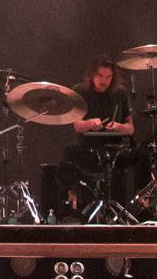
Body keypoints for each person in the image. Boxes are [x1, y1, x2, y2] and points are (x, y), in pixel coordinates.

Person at [43, 57, 138, 219]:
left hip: (116, 149)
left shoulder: (120, 92)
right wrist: (90, 123)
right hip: (89, 148)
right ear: (92, 75)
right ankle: (70, 204)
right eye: (100, 76)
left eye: (108, 77)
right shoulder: (80, 91)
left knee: (143, 155)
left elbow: (130, 129)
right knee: (68, 155)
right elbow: (78, 126)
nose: (104, 80)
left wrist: (117, 127)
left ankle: (140, 205)